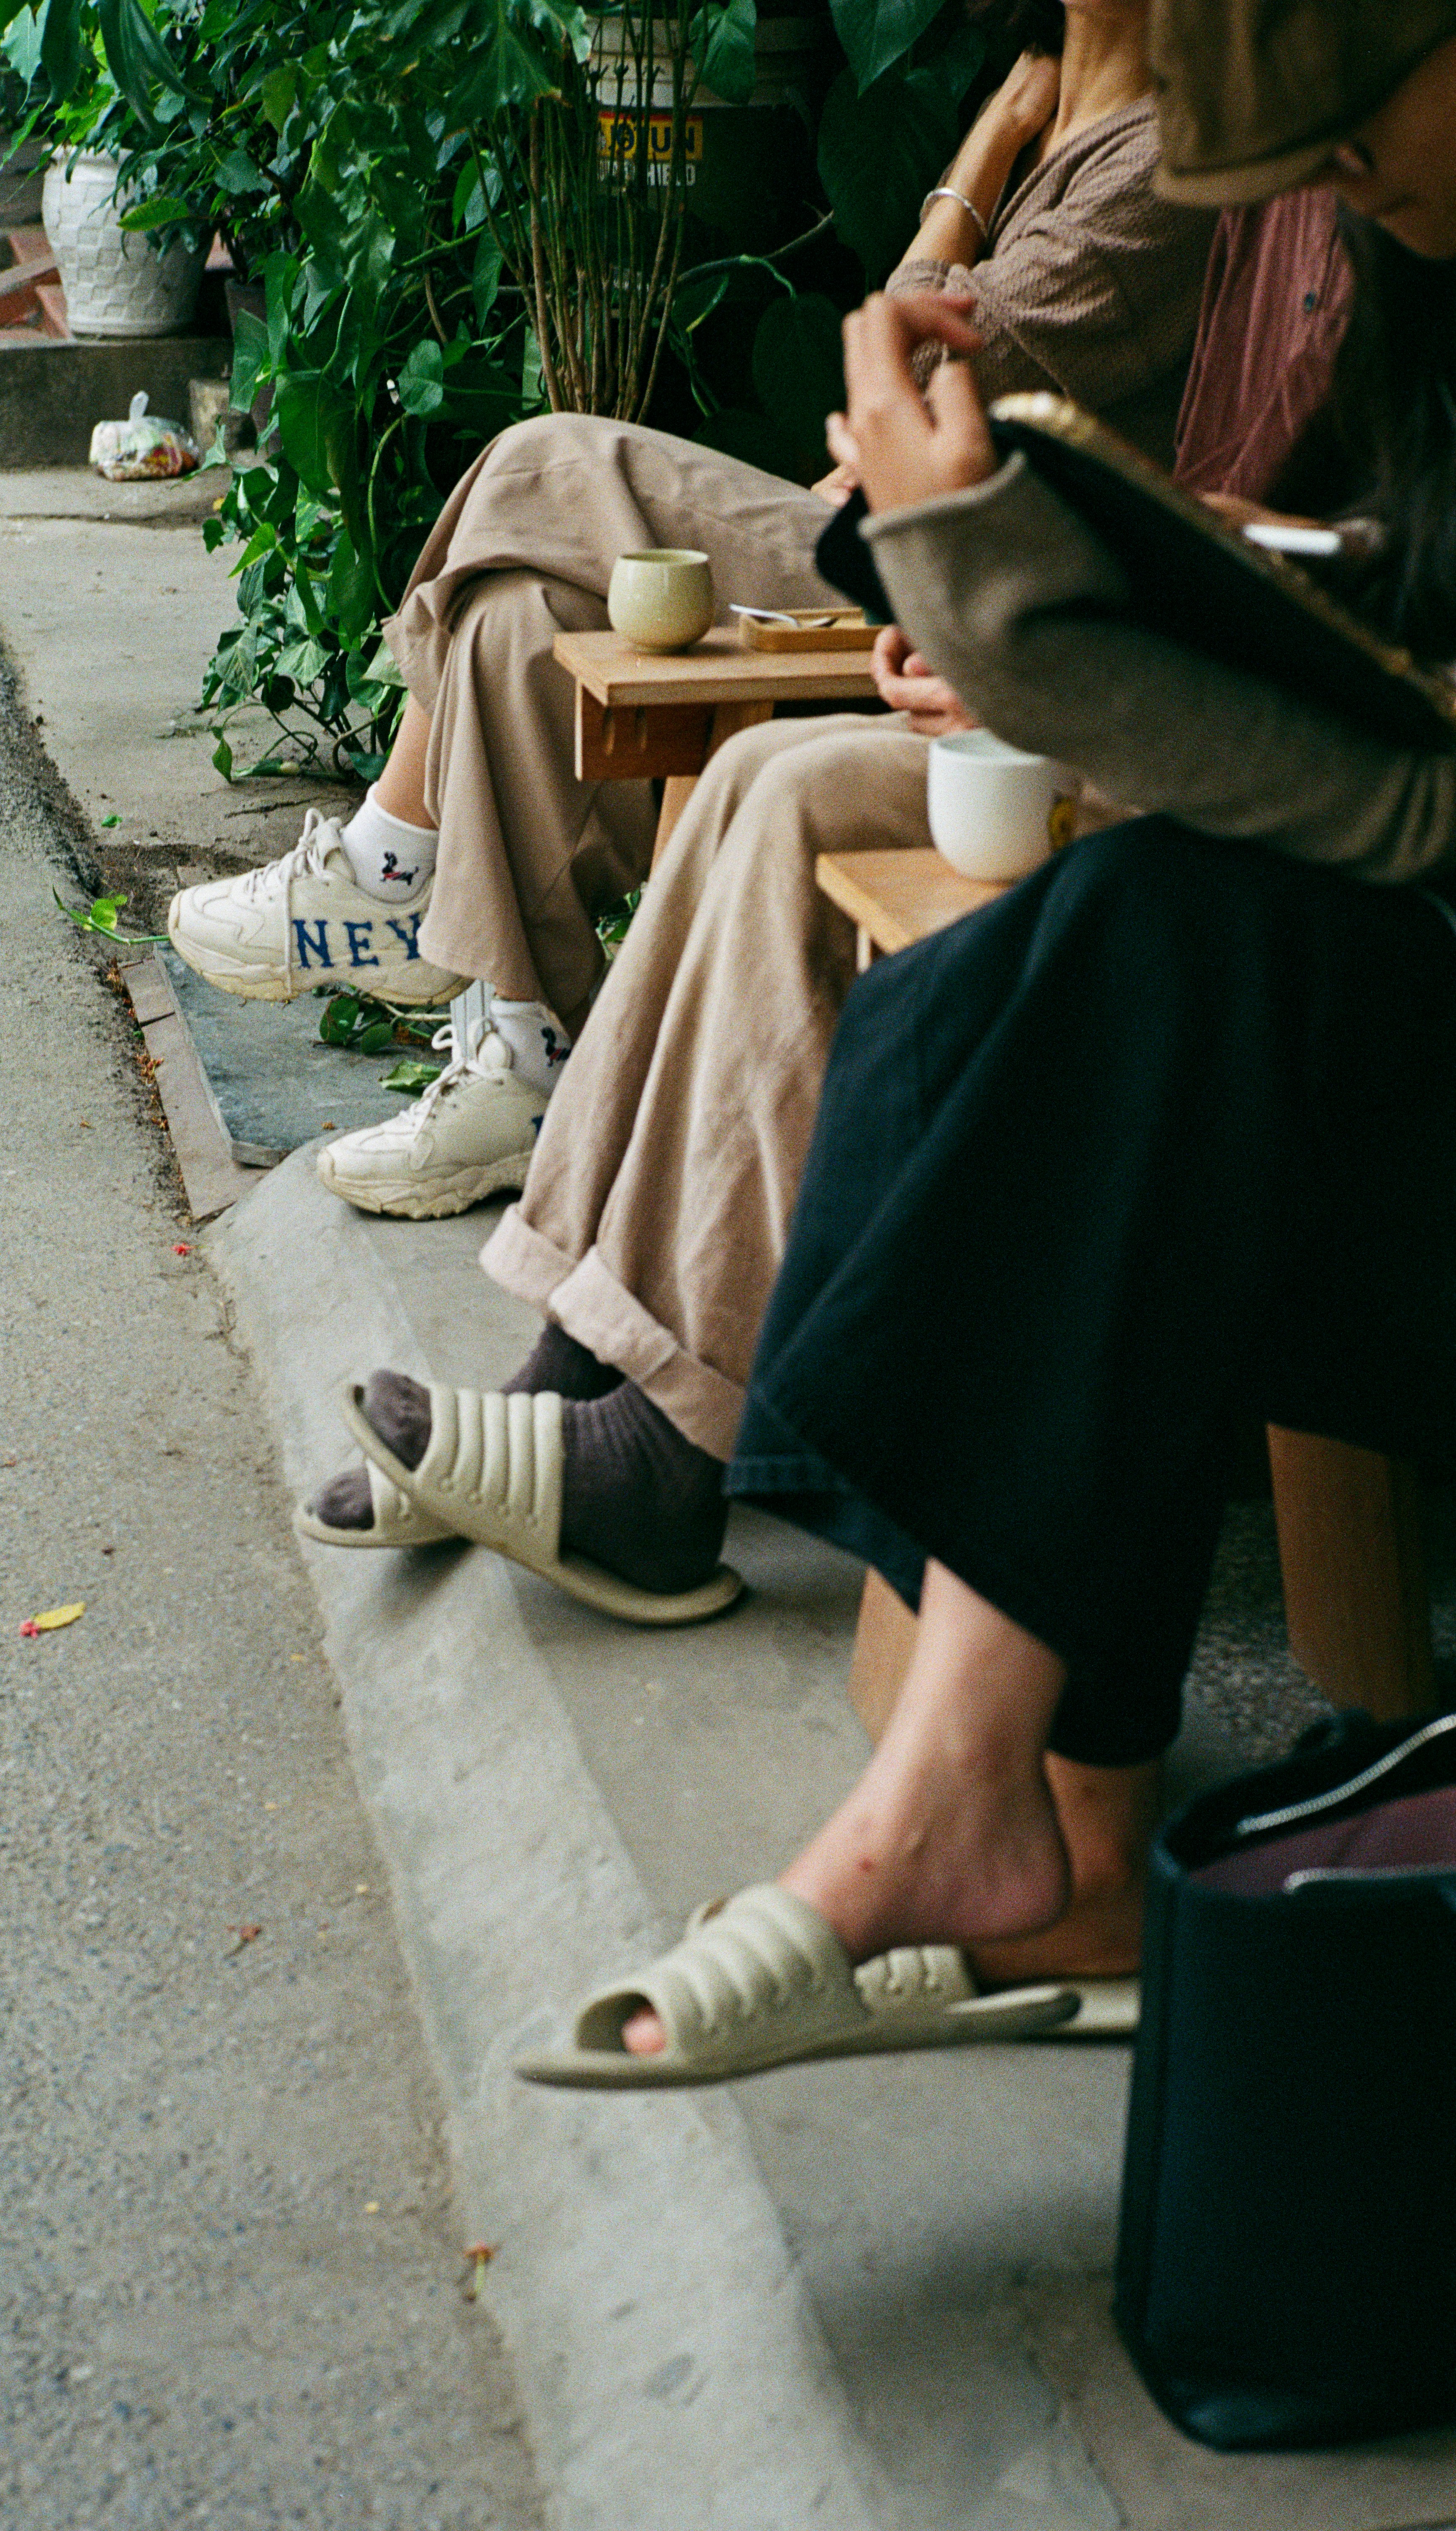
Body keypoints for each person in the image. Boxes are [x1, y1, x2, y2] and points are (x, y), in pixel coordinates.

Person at [347, 0, 1456, 2084]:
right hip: (1334, 1008)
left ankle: (920, 1769)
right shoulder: (1381, 241)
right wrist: (1117, 581)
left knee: (1132, 962)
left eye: (1352, 124)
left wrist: (1002, 593)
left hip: (1367, 1071)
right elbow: (1388, 637)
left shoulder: (1171, 180)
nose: (1333, 185)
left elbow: (1418, 805)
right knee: (1038, 972)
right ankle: (1012, 1817)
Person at [299, 183, 1351, 1590]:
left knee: (637, 588)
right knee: (740, 770)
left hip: (1257, 752)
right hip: (1152, 668)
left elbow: (954, 403)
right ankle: (571, 1370)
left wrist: (1037, 613)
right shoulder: (1245, 167)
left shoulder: (1186, 157)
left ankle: (666, 1456)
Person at [167, 0, 1215, 1219]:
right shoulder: (1073, 112)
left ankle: (389, 863)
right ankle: (522, 1060)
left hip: (964, 580)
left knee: (545, 463)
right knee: (512, 618)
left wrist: (979, 153)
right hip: (907, 533)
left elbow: (922, 372)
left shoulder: (1157, 156)